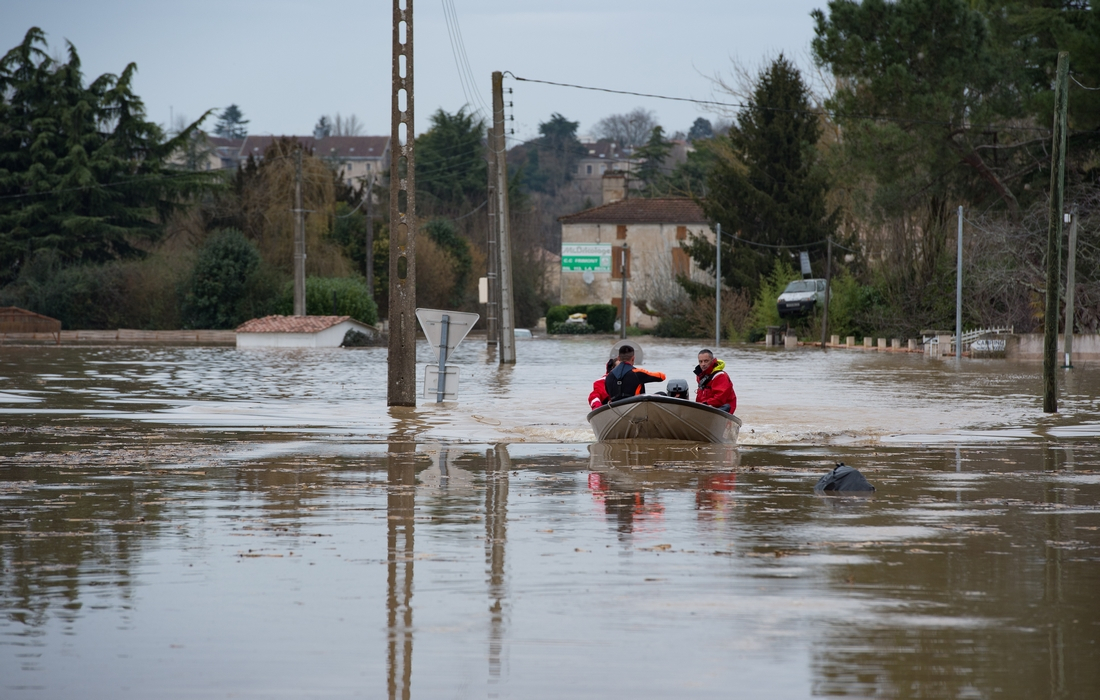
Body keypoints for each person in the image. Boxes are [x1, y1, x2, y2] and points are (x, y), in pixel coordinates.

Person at [693, 348, 736, 413]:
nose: (703, 364)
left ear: (712, 360)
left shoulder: (720, 376)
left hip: (723, 409)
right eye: (700, 361)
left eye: (706, 361)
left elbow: (720, 399)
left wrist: (703, 404)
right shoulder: (701, 376)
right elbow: (700, 397)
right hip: (706, 407)